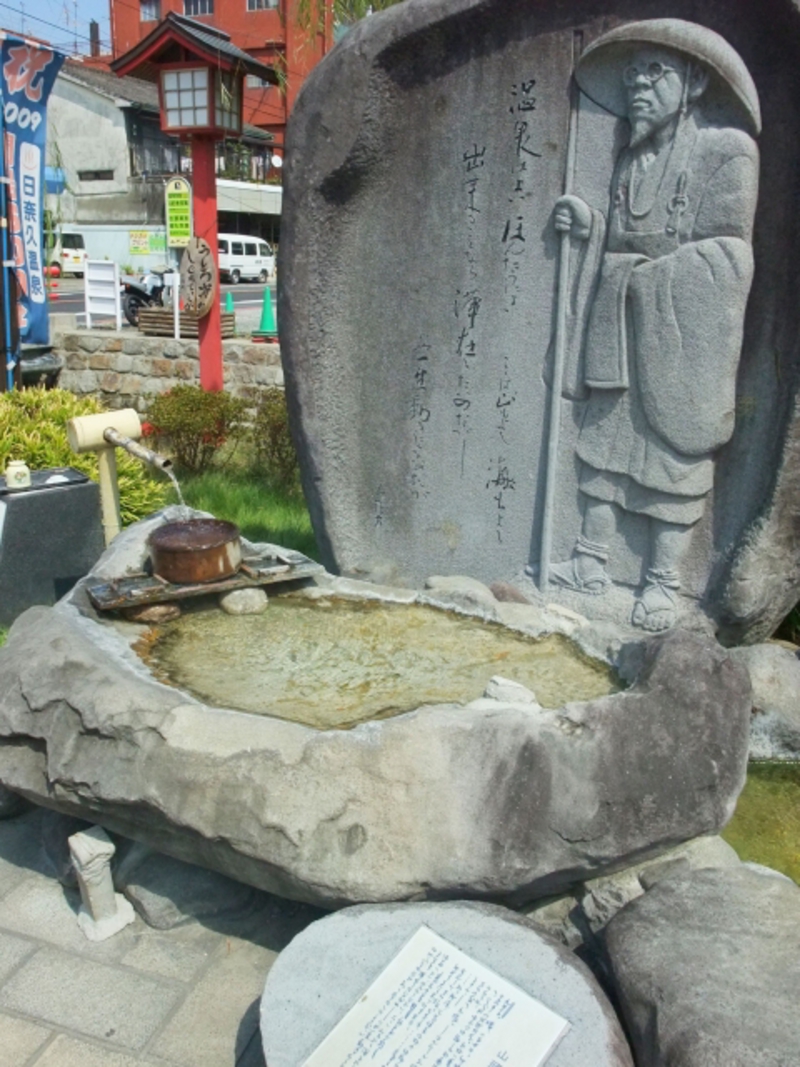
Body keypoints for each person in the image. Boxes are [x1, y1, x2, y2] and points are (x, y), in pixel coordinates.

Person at [543, 19, 760, 631]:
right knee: (605, 440)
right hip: (618, 323)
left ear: (693, 83)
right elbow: (623, 235)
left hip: (677, 334)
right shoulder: (631, 157)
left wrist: (648, 279)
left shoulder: (728, 151)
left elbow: (729, 255)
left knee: (669, 456)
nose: (638, 84)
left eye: (655, 72)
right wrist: (588, 225)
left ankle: (662, 581)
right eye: (632, 73)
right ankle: (589, 558)